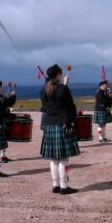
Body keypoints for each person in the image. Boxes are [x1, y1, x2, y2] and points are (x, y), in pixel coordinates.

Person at [40, 64, 79, 194]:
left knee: (53, 159)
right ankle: (64, 187)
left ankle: (55, 185)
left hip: (49, 125)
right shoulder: (63, 89)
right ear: (58, 75)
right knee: (63, 159)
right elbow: (70, 106)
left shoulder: (43, 90)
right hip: (62, 124)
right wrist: (65, 86)